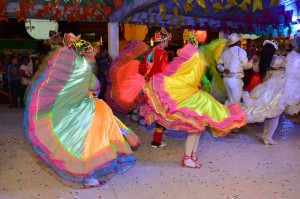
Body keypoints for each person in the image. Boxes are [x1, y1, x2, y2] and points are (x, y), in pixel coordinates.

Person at [23, 33, 140, 188]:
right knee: (88, 144)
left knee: (94, 142)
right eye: (93, 47)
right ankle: (88, 177)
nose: (97, 49)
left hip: (91, 107)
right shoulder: (80, 65)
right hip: (86, 109)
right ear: (85, 49)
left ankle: (90, 176)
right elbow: (79, 87)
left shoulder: (83, 64)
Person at [140, 36, 247, 168]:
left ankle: (192, 156)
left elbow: (192, 78)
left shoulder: (194, 59)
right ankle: (187, 158)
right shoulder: (196, 59)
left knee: (198, 128)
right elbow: (191, 79)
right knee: (195, 128)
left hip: (195, 95)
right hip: (193, 96)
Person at [242, 40, 300, 145]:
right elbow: (292, 68)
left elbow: (256, 69)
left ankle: (267, 137)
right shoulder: (279, 59)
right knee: (274, 113)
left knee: (270, 112)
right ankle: (267, 137)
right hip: (277, 89)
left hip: (265, 88)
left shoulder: (263, 60)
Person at [140, 27, 172, 148]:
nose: (168, 42)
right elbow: (165, 71)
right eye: (167, 40)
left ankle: (160, 133)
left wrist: (148, 76)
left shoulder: (150, 52)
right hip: (159, 86)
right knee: (161, 112)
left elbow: (141, 68)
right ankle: (156, 140)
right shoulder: (162, 53)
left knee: (158, 111)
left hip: (149, 85)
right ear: (163, 41)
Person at [217, 33, 257, 105]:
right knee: (235, 103)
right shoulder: (240, 51)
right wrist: (252, 60)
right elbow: (245, 66)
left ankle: (225, 114)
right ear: (238, 42)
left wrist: (223, 69)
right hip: (235, 80)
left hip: (226, 79)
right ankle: (232, 115)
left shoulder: (225, 52)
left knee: (230, 100)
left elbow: (218, 64)